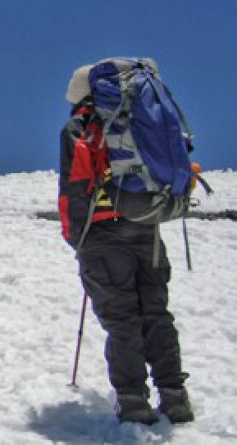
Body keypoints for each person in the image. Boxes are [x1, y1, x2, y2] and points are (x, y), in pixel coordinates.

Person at [59, 63, 193, 424]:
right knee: (156, 313)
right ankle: (175, 396)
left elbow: (74, 186)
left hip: (102, 235)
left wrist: (77, 240)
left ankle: (133, 400)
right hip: (146, 229)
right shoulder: (141, 118)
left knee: (122, 320)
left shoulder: (82, 126)